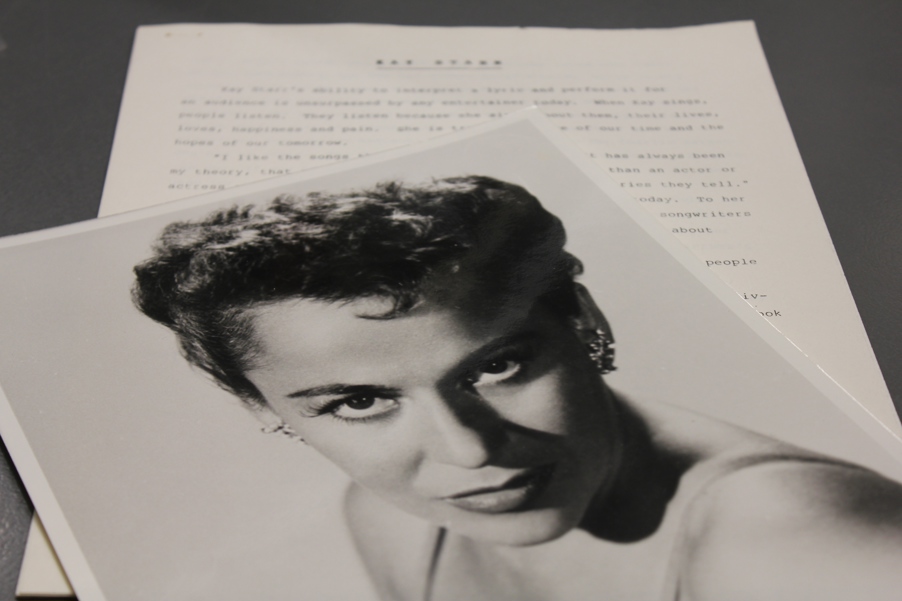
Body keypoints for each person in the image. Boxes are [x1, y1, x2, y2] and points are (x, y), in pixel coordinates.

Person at [132, 176, 902, 601]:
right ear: (262, 405)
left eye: (494, 366)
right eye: (360, 400)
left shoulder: (795, 543)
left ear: (582, 317)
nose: (466, 451)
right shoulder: (395, 520)